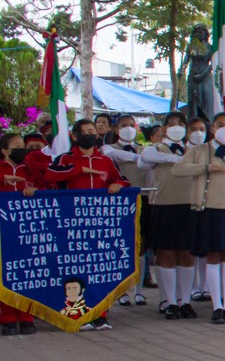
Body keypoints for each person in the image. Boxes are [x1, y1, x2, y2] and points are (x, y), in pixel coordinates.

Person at [46, 120, 131, 330]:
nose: (91, 135)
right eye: (85, 133)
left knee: (98, 270)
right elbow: (50, 176)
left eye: (93, 132)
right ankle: (77, 314)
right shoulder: (65, 159)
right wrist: (78, 170)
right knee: (74, 271)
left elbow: (124, 180)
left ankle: (100, 314)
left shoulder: (105, 160)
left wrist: (117, 184)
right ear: (75, 136)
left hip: (99, 224)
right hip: (71, 224)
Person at [172, 113, 225, 325]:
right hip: (209, 209)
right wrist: (206, 168)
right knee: (213, 257)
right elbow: (177, 169)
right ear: (212, 128)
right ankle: (216, 306)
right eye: (220, 125)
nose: (224, 128)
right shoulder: (200, 151)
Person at [140, 114, 204, 319]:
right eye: (171, 125)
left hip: (189, 205)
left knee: (186, 254)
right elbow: (143, 161)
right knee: (166, 254)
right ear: (165, 128)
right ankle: (168, 300)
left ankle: (185, 300)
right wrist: (173, 158)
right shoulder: (156, 149)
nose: (176, 128)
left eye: (180, 124)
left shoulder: (195, 149)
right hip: (164, 205)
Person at [103, 114, 151, 306]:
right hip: (121, 201)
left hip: (143, 199)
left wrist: (141, 155)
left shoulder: (145, 150)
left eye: (132, 125)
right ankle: (121, 291)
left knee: (141, 246)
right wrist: (137, 157)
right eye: (124, 125)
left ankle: (139, 290)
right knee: (121, 246)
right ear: (116, 129)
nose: (129, 128)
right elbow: (112, 155)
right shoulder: (109, 149)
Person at [0, 132, 40, 336]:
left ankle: (26, 316)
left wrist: (33, 189)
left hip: (27, 230)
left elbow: (45, 185)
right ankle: (7, 318)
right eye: (16, 145)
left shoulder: (29, 170)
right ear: (5, 151)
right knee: (6, 273)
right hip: (3, 230)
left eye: (22, 144)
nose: (22, 148)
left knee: (27, 272)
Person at [182, 25, 217, 122]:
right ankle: (193, 122)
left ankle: (207, 123)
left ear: (205, 34)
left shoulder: (210, 48)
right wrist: (182, 70)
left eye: (200, 32)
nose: (198, 35)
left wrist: (203, 74)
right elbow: (186, 60)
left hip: (205, 77)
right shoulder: (191, 47)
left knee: (206, 101)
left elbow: (213, 64)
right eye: (196, 33)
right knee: (193, 102)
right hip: (193, 76)